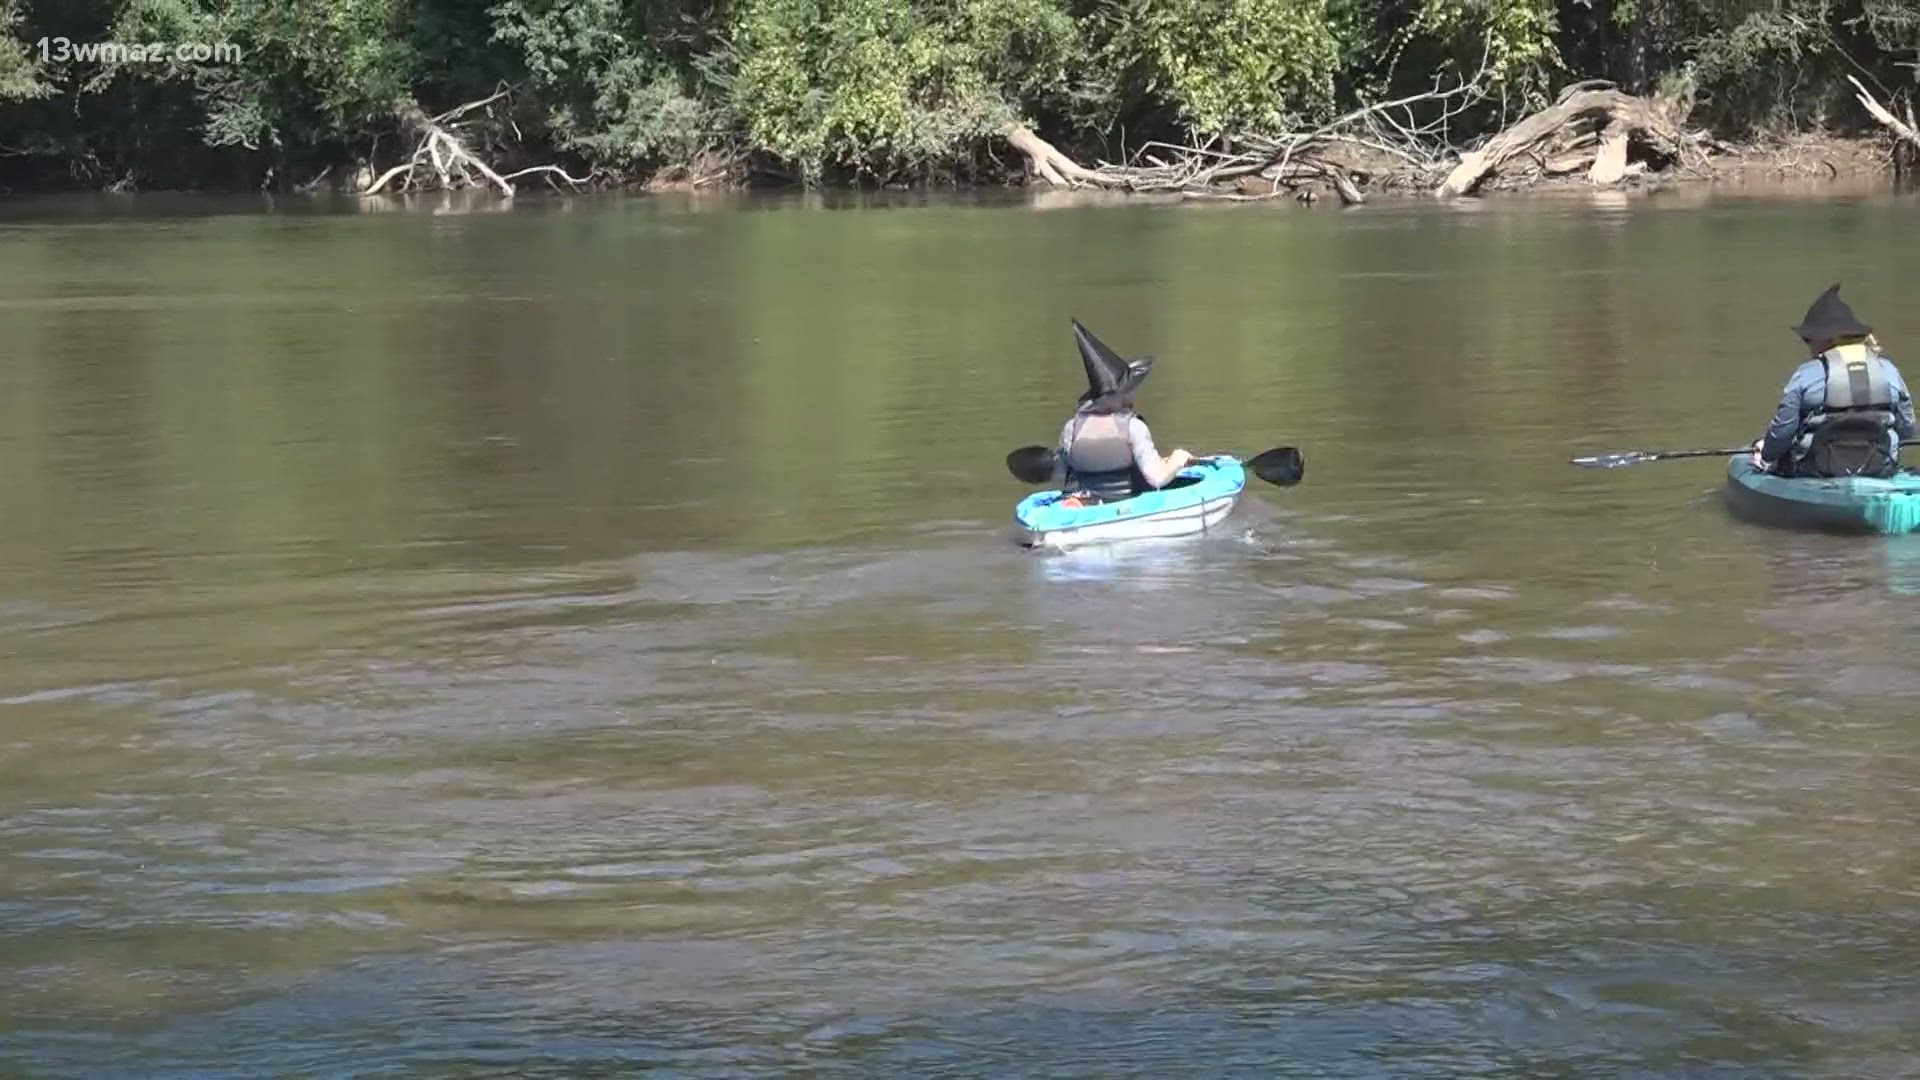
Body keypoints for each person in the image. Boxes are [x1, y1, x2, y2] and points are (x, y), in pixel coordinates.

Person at [1752, 284, 1915, 478]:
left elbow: (1781, 433)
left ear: (1825, 339)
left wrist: (1765, 454)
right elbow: (1907, 429)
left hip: (1817, 470)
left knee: (1769, 453)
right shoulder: (1889, 371)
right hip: (1880, 467)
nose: (1808, 344)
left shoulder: (1806, 375)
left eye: (1808, 338)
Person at [1054, 319, 1194, 501]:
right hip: (1126, 504)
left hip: (1085, 503)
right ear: (1121, 396)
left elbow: (1060, 474)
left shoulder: (1071, 428)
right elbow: (1156, 478)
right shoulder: (1133, 427)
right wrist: (1177, 459)